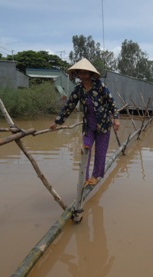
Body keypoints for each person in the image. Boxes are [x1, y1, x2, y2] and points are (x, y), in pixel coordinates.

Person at [50, 58, 120, 187]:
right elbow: (69, 106)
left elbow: (112, 103)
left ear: (90, 73)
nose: (82, 75)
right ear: (77, 74)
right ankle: (84, 177)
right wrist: (57, 122)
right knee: (85, 149)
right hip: (88, 125)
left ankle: (94, 176)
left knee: (101, 151)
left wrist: (116, 119)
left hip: (103, 124)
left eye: (85, 72)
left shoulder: (100, 86)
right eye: (80, 73)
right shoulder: (78, 90)